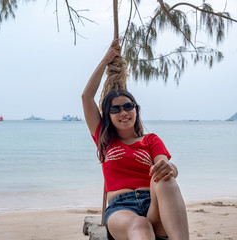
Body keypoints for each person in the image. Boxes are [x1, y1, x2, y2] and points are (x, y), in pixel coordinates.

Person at [81, 39, 189, 240]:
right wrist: (106, 60)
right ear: (108, 116)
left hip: (154, 205)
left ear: (136, 111)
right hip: (121, 209)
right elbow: (87, 97)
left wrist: (172, 169)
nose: (123, 112)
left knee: (166, 180)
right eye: (115, 109)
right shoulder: (104, 141)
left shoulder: (151, 140)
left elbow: (163, 165)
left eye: (128, 106)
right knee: (139, 224)